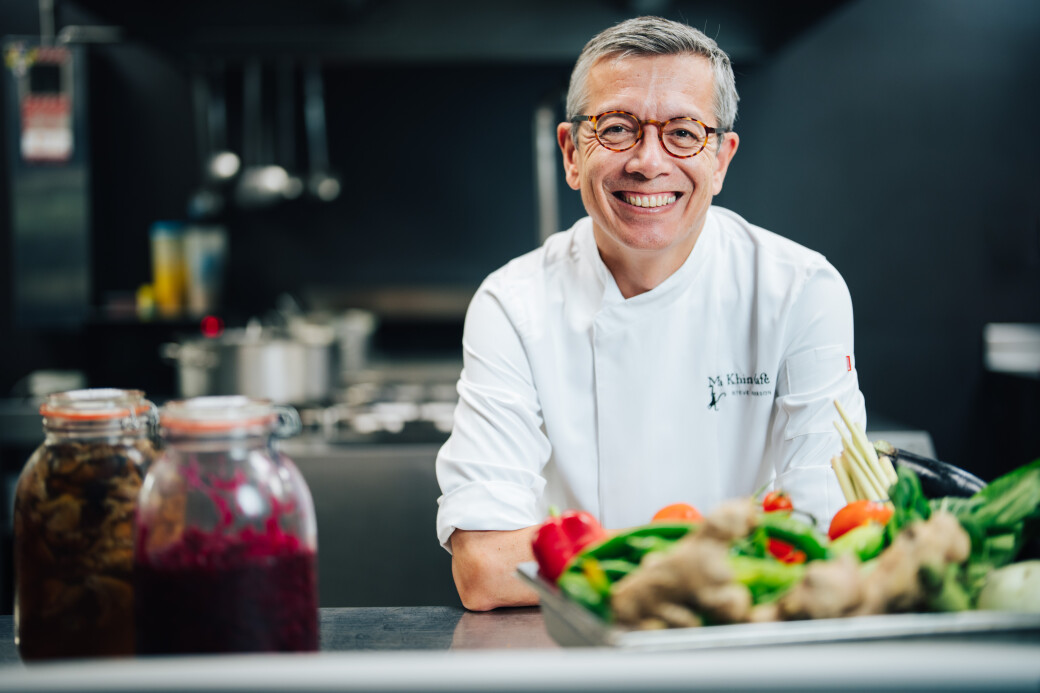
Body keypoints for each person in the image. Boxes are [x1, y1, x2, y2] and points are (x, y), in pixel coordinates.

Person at [436, 15, 866, 611]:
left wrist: (586, 557)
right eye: (616, 129)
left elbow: (829, 537)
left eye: (684, 133)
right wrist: (722, 554)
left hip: (744, 641)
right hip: (570, 650)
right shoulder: (513, 304)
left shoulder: (800, 290)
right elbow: (485, 566)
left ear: (720, 160)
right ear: (570, 152)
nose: (648, 161)